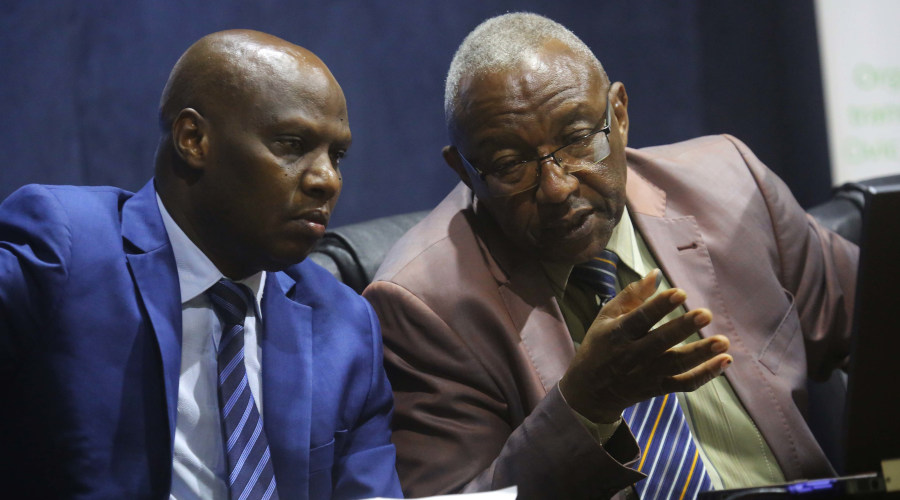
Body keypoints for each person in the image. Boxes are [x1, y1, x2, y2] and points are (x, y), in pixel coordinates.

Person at [362, 13, 857, 500]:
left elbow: (879, 327)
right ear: (465, 170)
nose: (557, 188)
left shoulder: (731, 186)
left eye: (578, 139)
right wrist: (583, 408)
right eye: (510, 164)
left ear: (618, 115)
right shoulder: (424, 304)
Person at [0, 30, 401, 499]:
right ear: (193, 139)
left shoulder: (346, 325)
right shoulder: (65, 249)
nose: (327, 180)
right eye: (292, 144)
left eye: (337, 156)